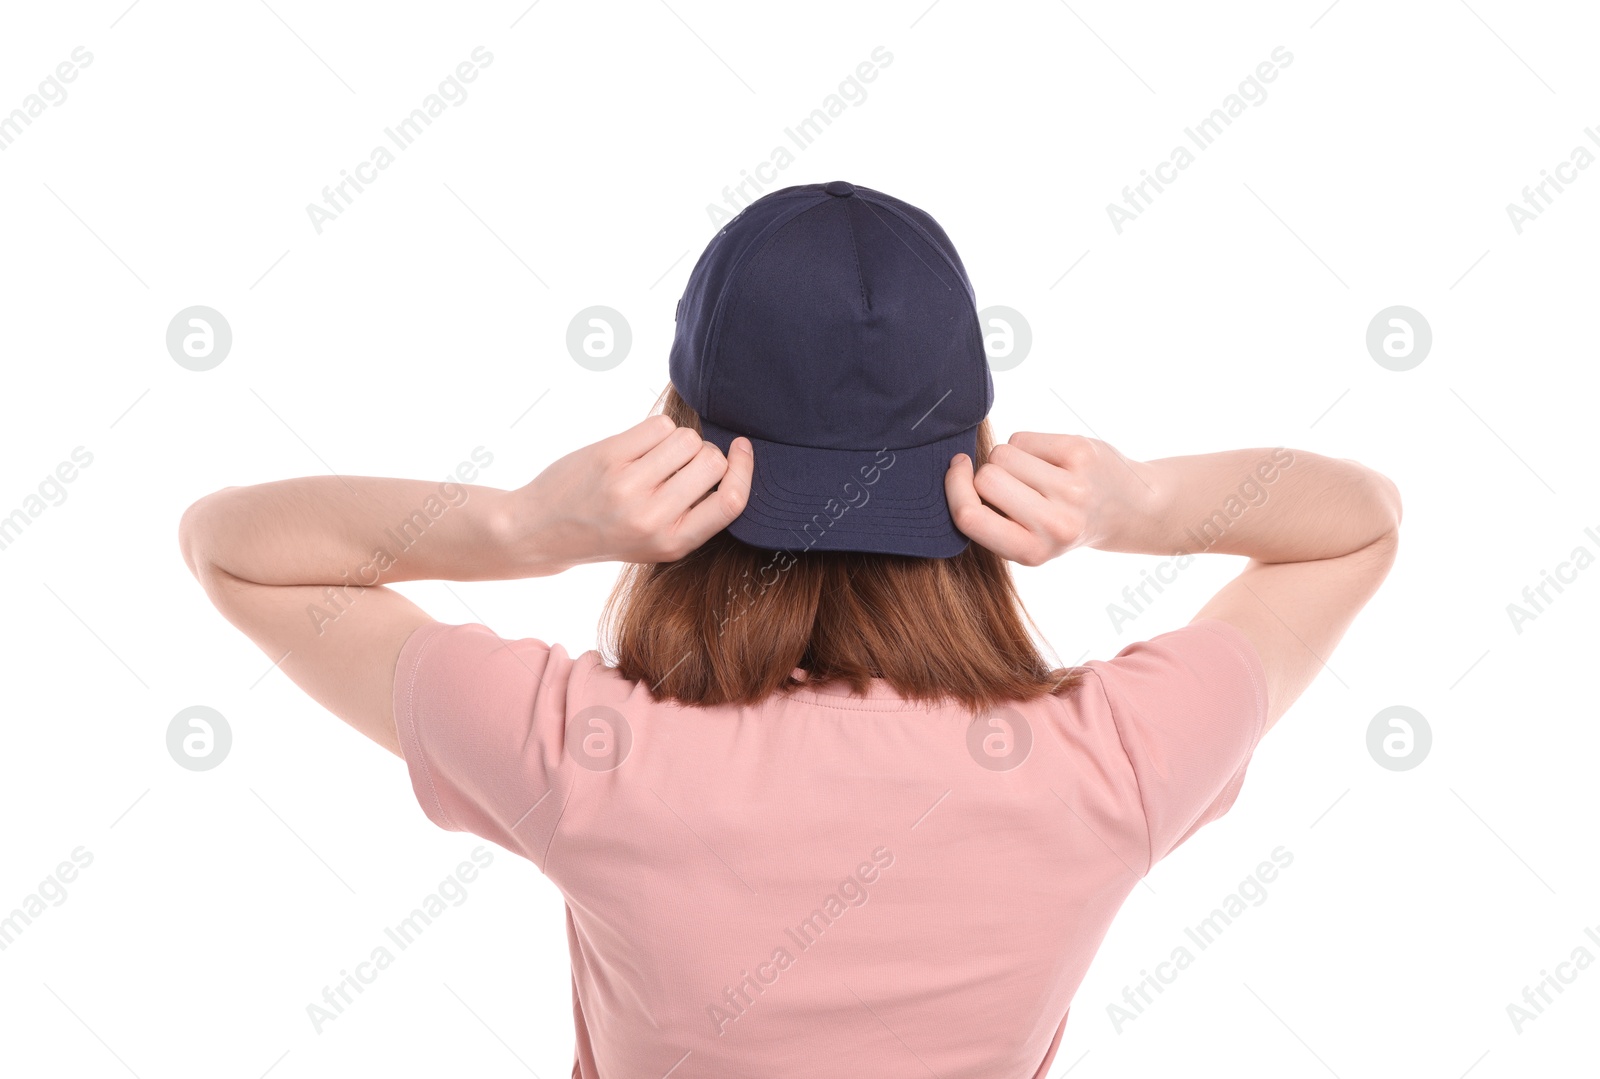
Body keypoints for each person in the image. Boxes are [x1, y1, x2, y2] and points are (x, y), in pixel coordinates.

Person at [179, 181, 1401, 1078]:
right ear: (968, 458)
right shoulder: (1114, 759)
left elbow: (233, 547)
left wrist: (522, 525)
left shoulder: (583, 757)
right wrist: (1136, 501)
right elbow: (1356, 525)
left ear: (681, 449)